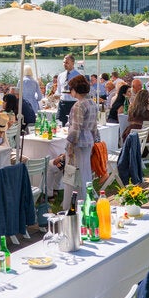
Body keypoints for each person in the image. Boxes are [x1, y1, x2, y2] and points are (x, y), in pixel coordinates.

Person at [62, 74, 100, 210]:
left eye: (71, 89)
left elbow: (75, 128)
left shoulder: (79, 105)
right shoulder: (92, 103)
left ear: (75, 89)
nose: (70, 91)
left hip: (78, 143)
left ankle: (74, 204)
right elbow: (95, 126)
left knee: (73, 174)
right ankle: (86, 201)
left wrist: (70, 145)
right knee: (85, 172)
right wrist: (95, 140)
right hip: (88, 141)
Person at [56, 54, 82, 126]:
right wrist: (56, 96)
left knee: (73, 125)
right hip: (62, 103)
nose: (65, 64)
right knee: (58, 123)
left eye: (67, 63)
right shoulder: (60, 75)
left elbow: (82, 92)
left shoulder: (78, 76)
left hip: (73, 103)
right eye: (64, 62)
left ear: (73, 63)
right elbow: (59, 90)